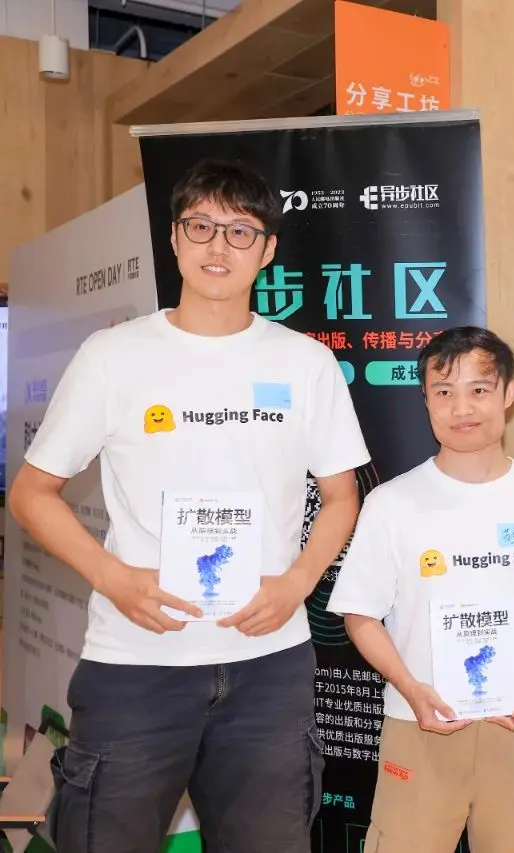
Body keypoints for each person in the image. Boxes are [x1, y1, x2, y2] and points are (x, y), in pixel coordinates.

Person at [8, 157, 370, 853]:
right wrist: (113, 577)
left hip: (269, 666)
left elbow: (341, 496)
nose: (217, 245)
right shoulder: (113, 356)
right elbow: (31, 493)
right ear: (174, 238)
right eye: (200, 226)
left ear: (267, 249)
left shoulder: (305, 363)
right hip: (136, 662)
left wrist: (298, 582)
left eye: (240, 231)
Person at [326, 326, 514, 853]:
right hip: (418, 723)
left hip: (513, 726)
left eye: (479, 389)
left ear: (508, 394)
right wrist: (411, 688)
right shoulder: (391, 503)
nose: (462, 408)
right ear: (426, 400)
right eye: (444, 391)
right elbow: (359, 614)